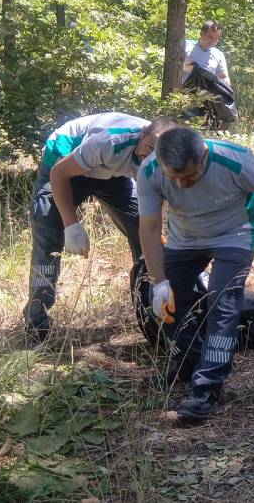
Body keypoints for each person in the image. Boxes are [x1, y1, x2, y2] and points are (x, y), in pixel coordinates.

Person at [137, 127, 254, 421]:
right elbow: (150, 226)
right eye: (175, 179)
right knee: (167, 298)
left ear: (204, 156)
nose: (181, 186)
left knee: (222, 301)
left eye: (190, 177)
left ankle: (207, 386)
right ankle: (191, 354)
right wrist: (159, 282)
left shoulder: (235, 160)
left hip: (236, 231)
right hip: (185, 237)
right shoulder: (150, 171)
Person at [25, 113, 179, 343]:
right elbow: (59, 173)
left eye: (158, 155)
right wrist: (71, 225)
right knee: (48, 228)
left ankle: (156, 310)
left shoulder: (161, 159)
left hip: (112, 174)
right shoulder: (110, 140)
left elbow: (156, 213)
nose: (149, 156)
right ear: (143, 133)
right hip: (64, 161)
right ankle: (36, 324)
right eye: (148, 146)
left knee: (142, 229)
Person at [183, 20, 231, 86]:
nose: (213, 41)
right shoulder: (185, 45)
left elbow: (224, 77)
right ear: (202, 33)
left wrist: (225, 89)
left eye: (216, 38)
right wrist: (195, 70)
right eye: (210, 37)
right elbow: (174, 64)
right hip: (181, 93)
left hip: (207, 94)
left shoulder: (219, 55)